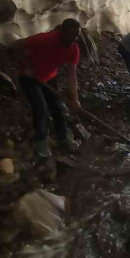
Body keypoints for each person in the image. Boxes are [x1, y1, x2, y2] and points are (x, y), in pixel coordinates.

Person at [14, 19, 82, 159]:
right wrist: (25, 66)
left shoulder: (73, 49)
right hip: (30, 78)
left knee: (57, 107)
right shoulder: (45, 39)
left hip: (50, 78)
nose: (74, 39)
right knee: (41, 108)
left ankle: (63, 136)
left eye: (77, 35)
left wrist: (74, 99)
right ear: (61, 31)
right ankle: (41, 140)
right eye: (71, 35)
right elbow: (18, 46)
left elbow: (71, 74)